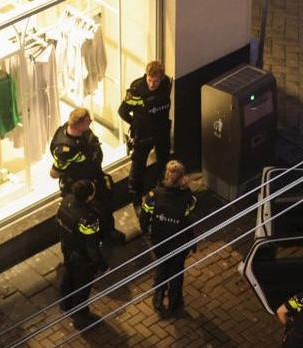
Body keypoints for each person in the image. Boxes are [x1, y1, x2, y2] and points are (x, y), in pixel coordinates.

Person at [50, 107, 125, 244]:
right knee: (87, 214)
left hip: (95, 176)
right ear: (79, 125)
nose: (90, 122)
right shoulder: (64, 148)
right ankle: (92, 243)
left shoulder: (82, 132)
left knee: (105, 205)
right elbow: (54, 173)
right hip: (80, 185)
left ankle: (109, 231)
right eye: (88, 121)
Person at [139, 160, 196, 317]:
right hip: (179, 241)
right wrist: (192, 240)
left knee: (162, 267)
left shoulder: (154, 195)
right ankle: (174, 303)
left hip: (160, 240)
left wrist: (147, 232)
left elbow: (144, 216)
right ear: (182, 177)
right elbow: (188, 220)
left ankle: (158, 298)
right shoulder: (188, 197)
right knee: (176, 271)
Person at [119, 61, 172, 208]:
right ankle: (136, 198)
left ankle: (161, 190)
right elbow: (122, 111)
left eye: (156, 81)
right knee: (138, 167)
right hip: (143, 134)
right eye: (149, 80)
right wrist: (135, 124)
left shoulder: (166, 82)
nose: (152, 84)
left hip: (161, 130)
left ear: (161, 78)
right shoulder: (137, 89)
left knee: (163, 161)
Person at [56, 180, 107, 329]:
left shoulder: (65, 202)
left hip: (66, 247)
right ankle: (81, 317)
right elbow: (91, 245)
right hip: (81, 256)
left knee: (68, 275)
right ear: (89, 197)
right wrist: (101, 264)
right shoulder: (88, 218)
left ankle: (65, 304)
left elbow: (58, 223)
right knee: (82, 286)